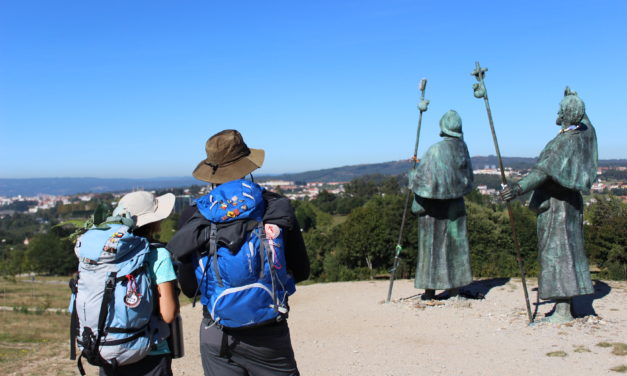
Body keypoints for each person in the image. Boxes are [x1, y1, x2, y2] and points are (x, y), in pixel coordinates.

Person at [167, 129, 310, 376]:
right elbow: (301, 271)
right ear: (247, 167)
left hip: (217, 331)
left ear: (211, 171)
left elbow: (191, 288)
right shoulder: (275, 206)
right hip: (268, 333)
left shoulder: (193, 216)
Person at [502, 89, 597, 323]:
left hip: (557, 206)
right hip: (571, 204)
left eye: (560, 108)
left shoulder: (564, 142)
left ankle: (563, 311)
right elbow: (586, 121)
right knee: (569, 251)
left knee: (559, 253)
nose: (557, 112)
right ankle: (566, 305)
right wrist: (574, 98)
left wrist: (517, 189)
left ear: (566, 114)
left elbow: (542, 172)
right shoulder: (585, 135)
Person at [101, 191, 180, 376]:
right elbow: (168, 314)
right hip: (150, 352)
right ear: (152, 222)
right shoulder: (158, 254)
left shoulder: (105, 255)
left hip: (109, 350)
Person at [408, 110, 474, 300]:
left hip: (432, 207)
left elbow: (422, 179)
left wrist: (412, 175)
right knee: (455, 247)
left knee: (432, 248)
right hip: (455, 204)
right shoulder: (462, 148)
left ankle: (429, 291)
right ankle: (454, 290)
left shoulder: (435, 149)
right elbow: (467, 178)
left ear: (442, 127)